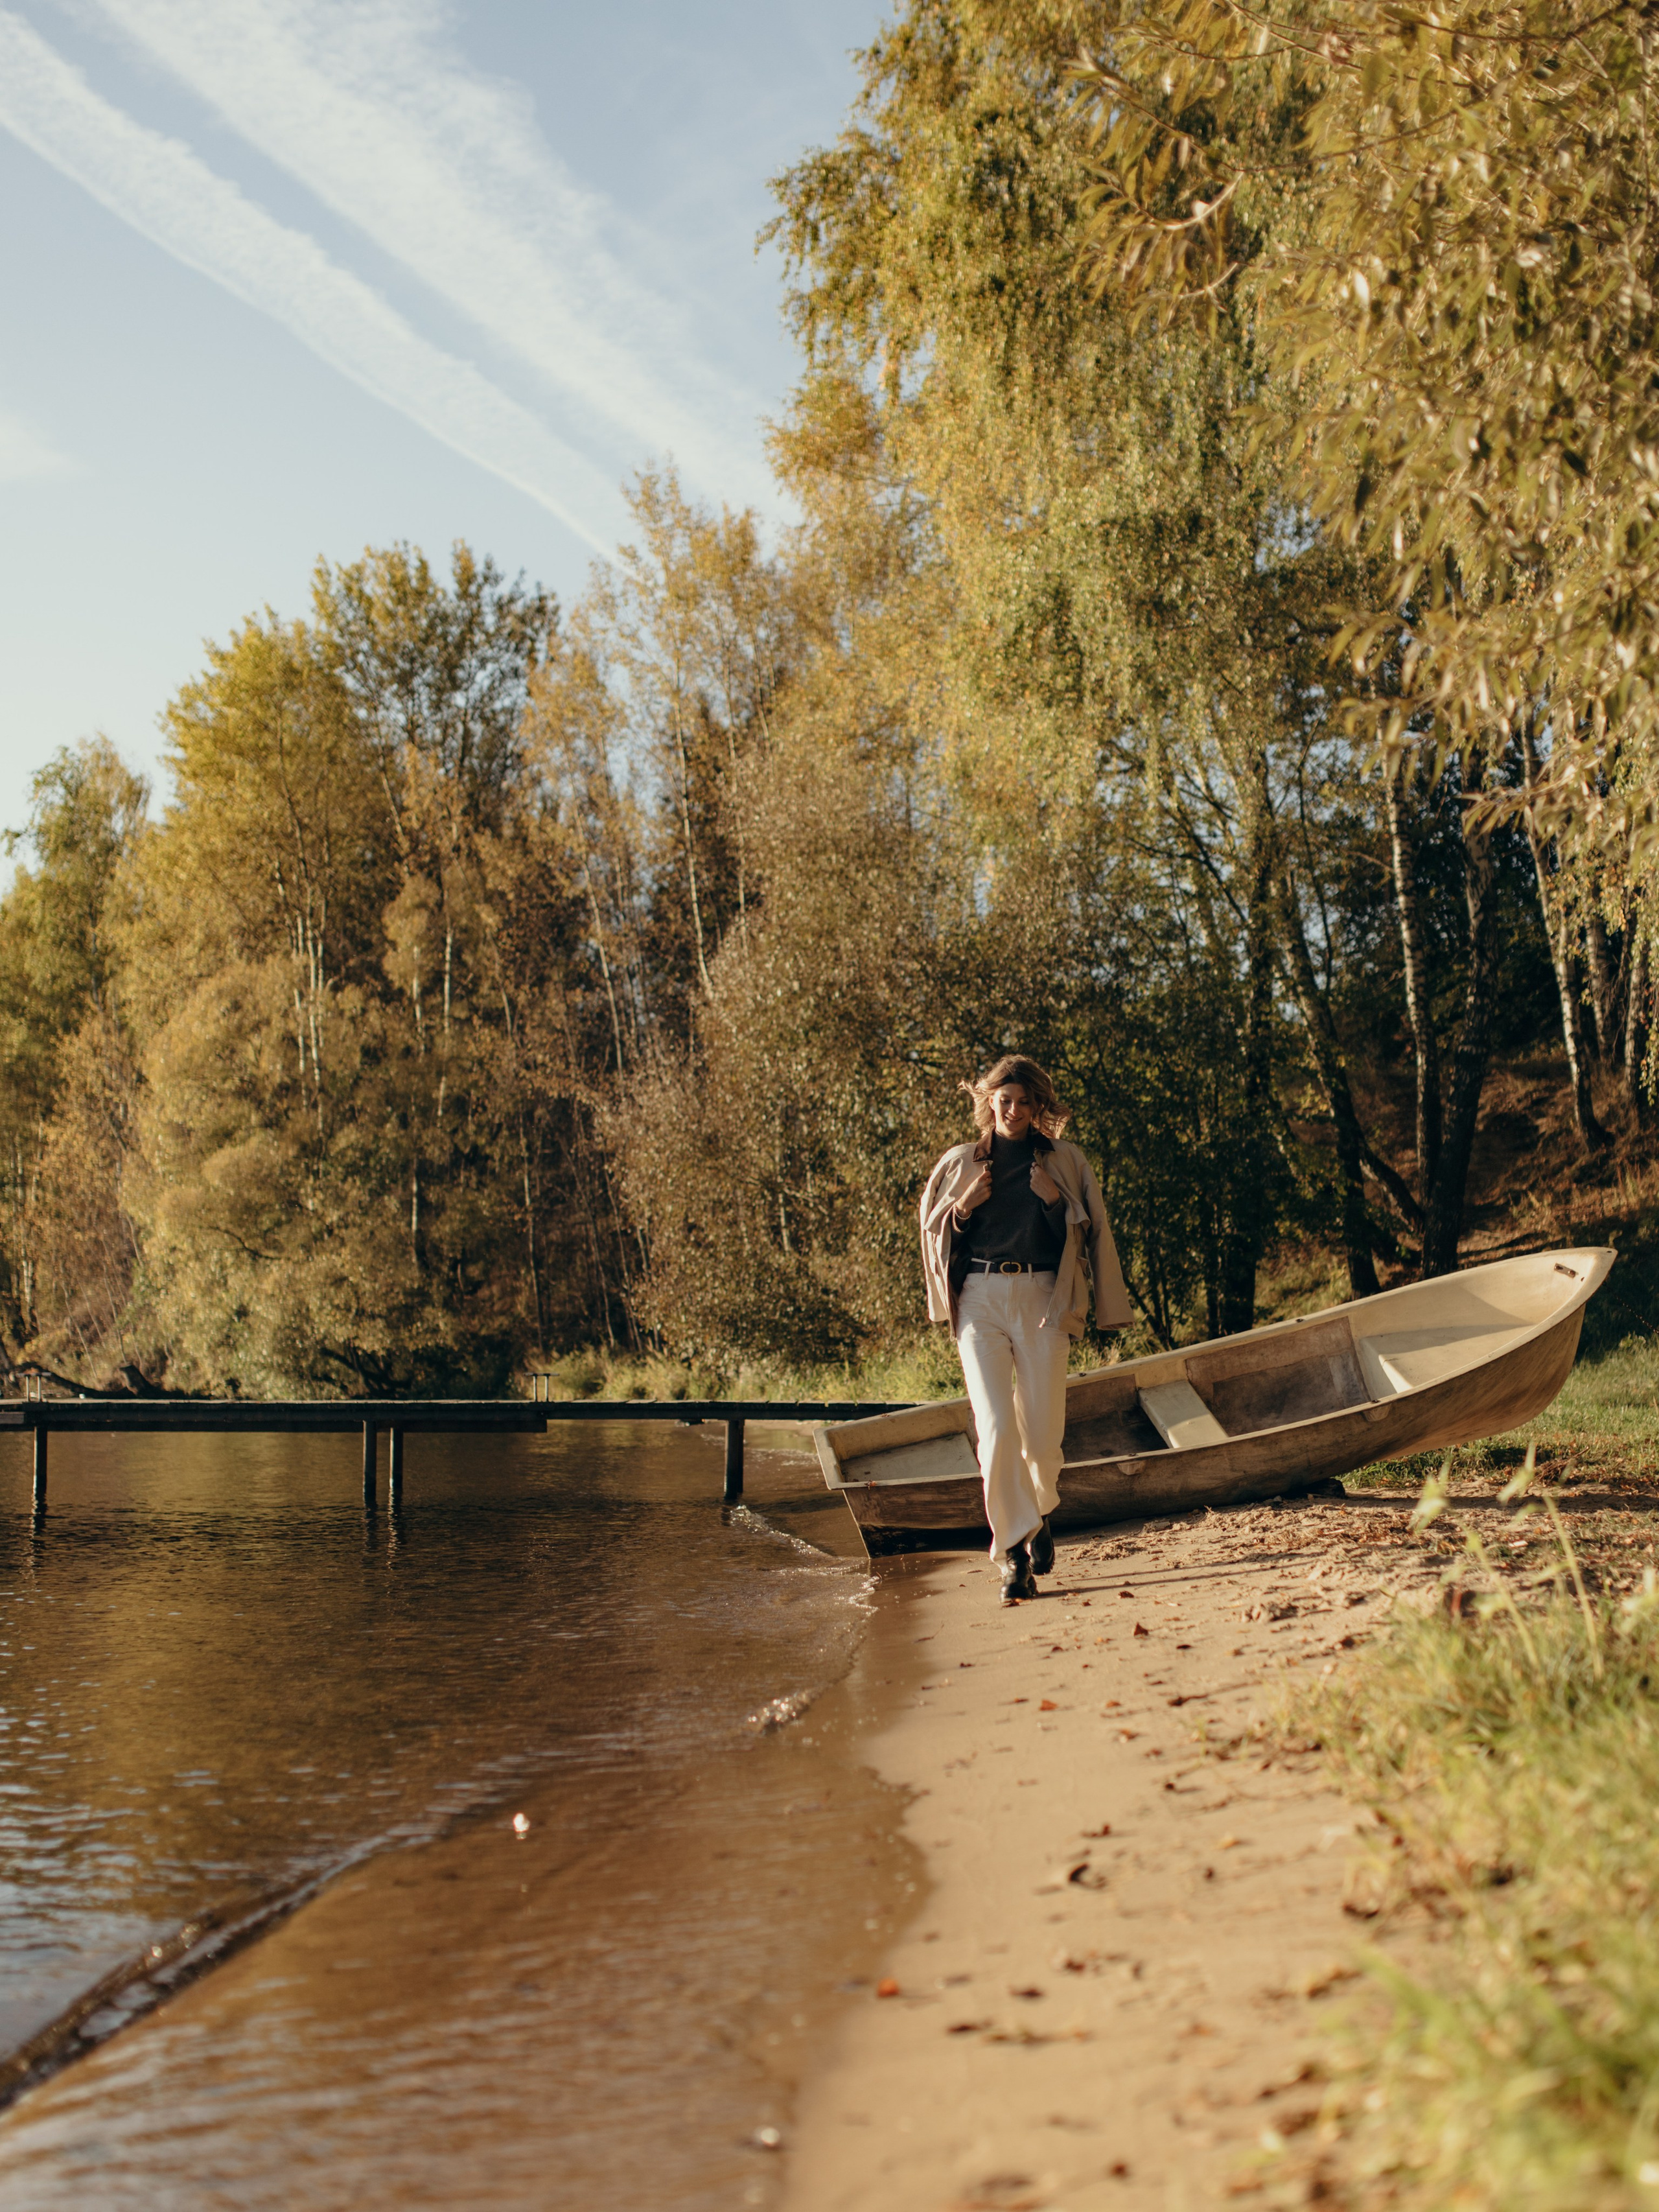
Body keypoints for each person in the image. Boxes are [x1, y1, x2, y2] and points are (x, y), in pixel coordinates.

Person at [918, 1056, 1131, 1605]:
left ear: (1039, 1106)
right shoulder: (961, 1162)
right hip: (981, 1302)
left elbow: (1092, 1231)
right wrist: (963, 1210)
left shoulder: (1065, 1160)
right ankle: (1013, 1554)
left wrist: (1056, 1202)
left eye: (1024, 1101)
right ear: (989, 1102)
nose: (1013, 1111)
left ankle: (1037, 1511)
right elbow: (933, 1228)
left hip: (1043, 1296)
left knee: (1042, 1436)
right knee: (994, 1430)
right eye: (1003, 1100)